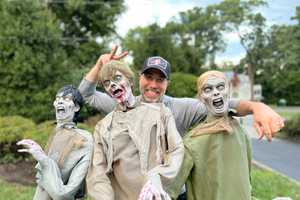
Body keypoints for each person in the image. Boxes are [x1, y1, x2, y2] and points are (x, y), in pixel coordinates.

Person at [78, 45, 284, 140]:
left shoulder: (180, 108)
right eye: (149, 77)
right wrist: (99, 66)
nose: (153, 85)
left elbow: (226, 104)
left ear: (167, 83)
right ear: (139, 78)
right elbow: (86, 94)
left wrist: (257, 107)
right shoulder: (121, 105)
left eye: (160, 80)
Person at [86, 60, 183, 200]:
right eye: (107, 83)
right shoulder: (103, 126)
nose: (112, 84)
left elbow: (177, 150)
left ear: (130, 81)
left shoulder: (160, 112)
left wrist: (158, 177)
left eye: (117, 78)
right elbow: (97, 172)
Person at [166, 70, 252, 200]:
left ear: (228, 90)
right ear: (201, 98)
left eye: (220, 87)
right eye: (208, 89)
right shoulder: (193, 142)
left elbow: (246, 181)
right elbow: (168, 190)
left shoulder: (241, 132)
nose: (216, 92)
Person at [17, 85, 93, 200]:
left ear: (76, 107)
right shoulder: (57, 132)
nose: (60, 101)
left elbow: (63, 194)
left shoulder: (84, 139)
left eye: (66, 99)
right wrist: (41, 152)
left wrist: (44, 159)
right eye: (57, 99)